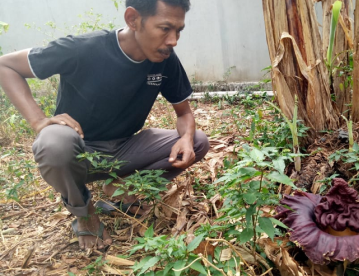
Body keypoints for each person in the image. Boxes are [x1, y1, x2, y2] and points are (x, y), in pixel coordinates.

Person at [0, 0, 209, 250]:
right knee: (54, 141)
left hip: (124, 149)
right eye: (165, 28)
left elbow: (183, 113)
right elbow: (6, 65)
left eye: (178, 31)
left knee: (198, 141)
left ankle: (121, 188)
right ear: (132, 19)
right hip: (78, 152)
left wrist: (185, 138)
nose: (173, 40)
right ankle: (84, 214)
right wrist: (38, 120)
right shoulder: (82, 49)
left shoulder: (165, 58)